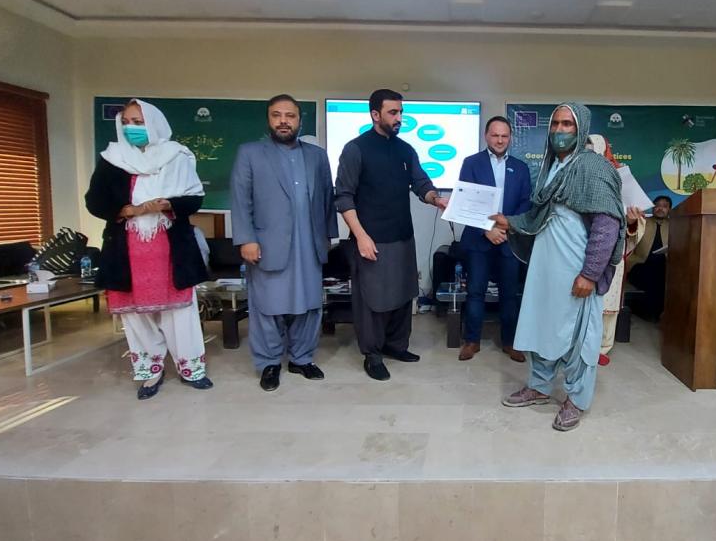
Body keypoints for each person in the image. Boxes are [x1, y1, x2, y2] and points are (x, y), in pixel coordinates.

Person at [488, 102, 624, 431]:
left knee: (579, 337)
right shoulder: (552, 167)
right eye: (556, 124)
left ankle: (576, 399)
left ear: (581, 129)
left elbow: (606, 225)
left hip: (577, 269)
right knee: (542, 327)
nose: (560, 131)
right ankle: (539, 386)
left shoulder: (593, 167)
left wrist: (590, 274)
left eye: (567, 124)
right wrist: (509, 221)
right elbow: (540, 215)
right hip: (546, 269)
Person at [85, 99, 212, 400]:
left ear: (154, 124)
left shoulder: (176, 155)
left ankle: (191, 370)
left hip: (170, 249)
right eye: (126, 122)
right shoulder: (112, 159)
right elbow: (95, 201)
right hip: (127, 251)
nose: (132, 128)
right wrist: (130, 210)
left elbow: (194, 198)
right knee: (137, 316)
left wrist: (168, 204)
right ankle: (150, 373)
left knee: (179, 314)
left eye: (138, 122)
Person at [335, 88, 447, 381]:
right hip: (370, 238)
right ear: (375, 114)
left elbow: (421, 183)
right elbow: (343, 197)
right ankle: (372, 355)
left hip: (402, 235)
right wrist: (360, 236)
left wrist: (436, 199)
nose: (399, 118)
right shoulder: (355, 149)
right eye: (393, 112)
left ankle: (396, 346)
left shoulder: (405, 149)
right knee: (372, 300)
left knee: (403, 293)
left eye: (401, 112)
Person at [231, 94, 337, 392]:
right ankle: (269, 363)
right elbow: (240, 199)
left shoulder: (317, 156)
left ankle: (302, 358)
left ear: (299, 120)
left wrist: (328, 237)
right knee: (268, 306)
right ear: (268, 119)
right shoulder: (250, 153)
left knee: (309, 305)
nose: (283, 121)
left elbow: (327, 198)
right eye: (276, 115)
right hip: (267, 244)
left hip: (309, 244)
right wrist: (246, 239)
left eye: (290, 116)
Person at [456, 116, 532, 362]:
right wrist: (486, 229)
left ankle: (510, 343)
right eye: (495, 135)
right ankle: (471, 341)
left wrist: (507, 227)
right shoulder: (471, 163)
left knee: (509, 294)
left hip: (509, 239)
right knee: (475, 292)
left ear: (510, 138)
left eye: (504, 136)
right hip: (479, 239)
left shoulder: (521, 168)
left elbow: (525, 204)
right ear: (486, 136)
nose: (500, 140)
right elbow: (465, 202)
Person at [585, 134, 646, 366]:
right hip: (585, 246)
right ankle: (578, 344)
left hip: (612, 246)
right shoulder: (580, 174)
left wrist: (631, 221)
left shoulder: (621, 177)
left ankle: (601, 347)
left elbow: (636, 219)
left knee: (606, 300)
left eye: (593, 149)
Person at [627, 194, 672, 320]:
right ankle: (650, 313)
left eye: (664, 206)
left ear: (669, 210)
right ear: (652, 208)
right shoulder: (642, 222)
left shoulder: (674, 225)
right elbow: (630, 236)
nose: (660, 208)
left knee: (663, 273)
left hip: (664, 266)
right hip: (639, 265)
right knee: (653, 274)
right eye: (657, 206)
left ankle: (652, 313)